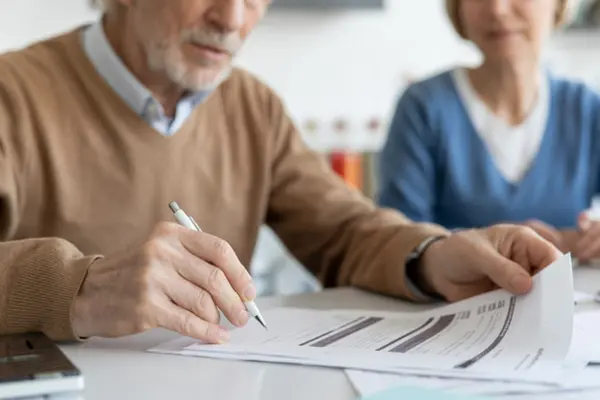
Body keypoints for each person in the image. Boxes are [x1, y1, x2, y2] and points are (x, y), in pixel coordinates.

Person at [0, 0, 560, 344]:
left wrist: (434, 255)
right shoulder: (13, 94)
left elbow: (343, 229)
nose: (234, 18)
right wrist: (75, 287)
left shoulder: (253, 106)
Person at [378, 0, 600, 263]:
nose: (497, 9)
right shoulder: (423, 109)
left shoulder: (586, 110)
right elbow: (397, 242)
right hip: (452, 302)